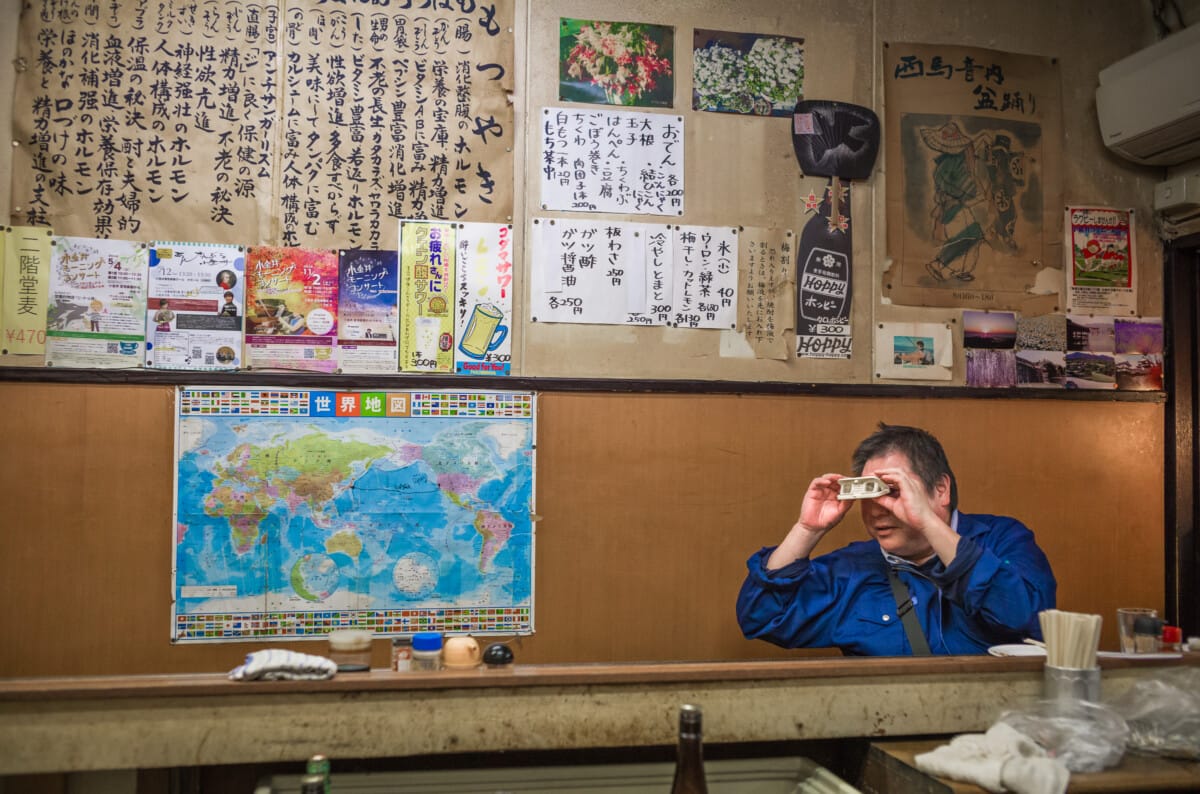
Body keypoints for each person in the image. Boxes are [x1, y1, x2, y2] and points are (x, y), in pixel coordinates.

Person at [736, 423, 1056, 656]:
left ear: (940, 489)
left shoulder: (1002, 540)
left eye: (892, 492)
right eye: (869, 494)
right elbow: (761, 617)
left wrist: (927, 522)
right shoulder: (854, 567)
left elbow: (1026, 618)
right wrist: (807, 530)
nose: (879, 510)